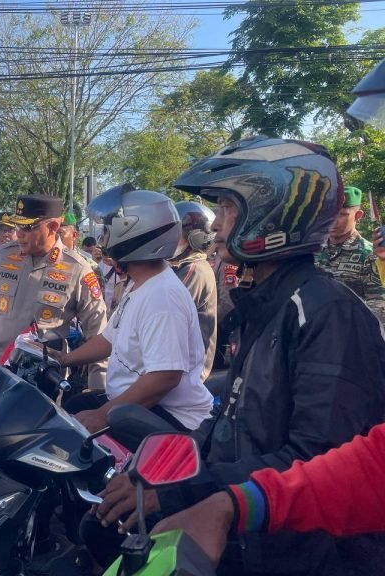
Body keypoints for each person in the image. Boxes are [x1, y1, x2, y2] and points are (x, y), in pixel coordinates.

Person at [92, 136, 385, 575]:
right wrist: (160, 468)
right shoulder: (268, 304)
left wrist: (179, 492)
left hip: (302, 557)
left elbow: (317, 462)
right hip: (247, 538)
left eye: (228, 208)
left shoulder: (326, 314)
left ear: (274, 213)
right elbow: (232, 425)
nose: (215, 226)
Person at [58, 188, 214, 434]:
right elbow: (108, 339)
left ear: (132, 234)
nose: (103, 240)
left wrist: (102, 415)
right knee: (73, 406)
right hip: (139, 404)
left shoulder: (162, 297)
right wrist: (61, 359)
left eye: (108, 232)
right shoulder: (139, 283)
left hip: (172, 417)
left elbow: (164, 377)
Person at [152, 421, 385, 566]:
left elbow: (312, 450)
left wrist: (184, 490)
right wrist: (231, 504)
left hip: (301, 553)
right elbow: (371, 464)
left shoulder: (337, 342)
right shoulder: (249, 341)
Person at [0, 195, 108, 390]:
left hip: (43, 382)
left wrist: (98, 388)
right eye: (17, 227)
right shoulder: (2, 256)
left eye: (27, 228)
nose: (19, 235)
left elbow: (98, 331)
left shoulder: (78, 269)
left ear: (52, 227)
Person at [315, 185, 385, 322]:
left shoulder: (370, 255)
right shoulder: (313, 251)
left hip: (350, 336)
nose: (334, 221)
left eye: (342, 215)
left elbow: (378, 309)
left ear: (357, 215)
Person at [169, 201, 218, 380]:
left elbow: (167, 309)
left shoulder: (195, 270)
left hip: (187, 375)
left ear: (195, 237)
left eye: (176, 234)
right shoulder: (178, 266)